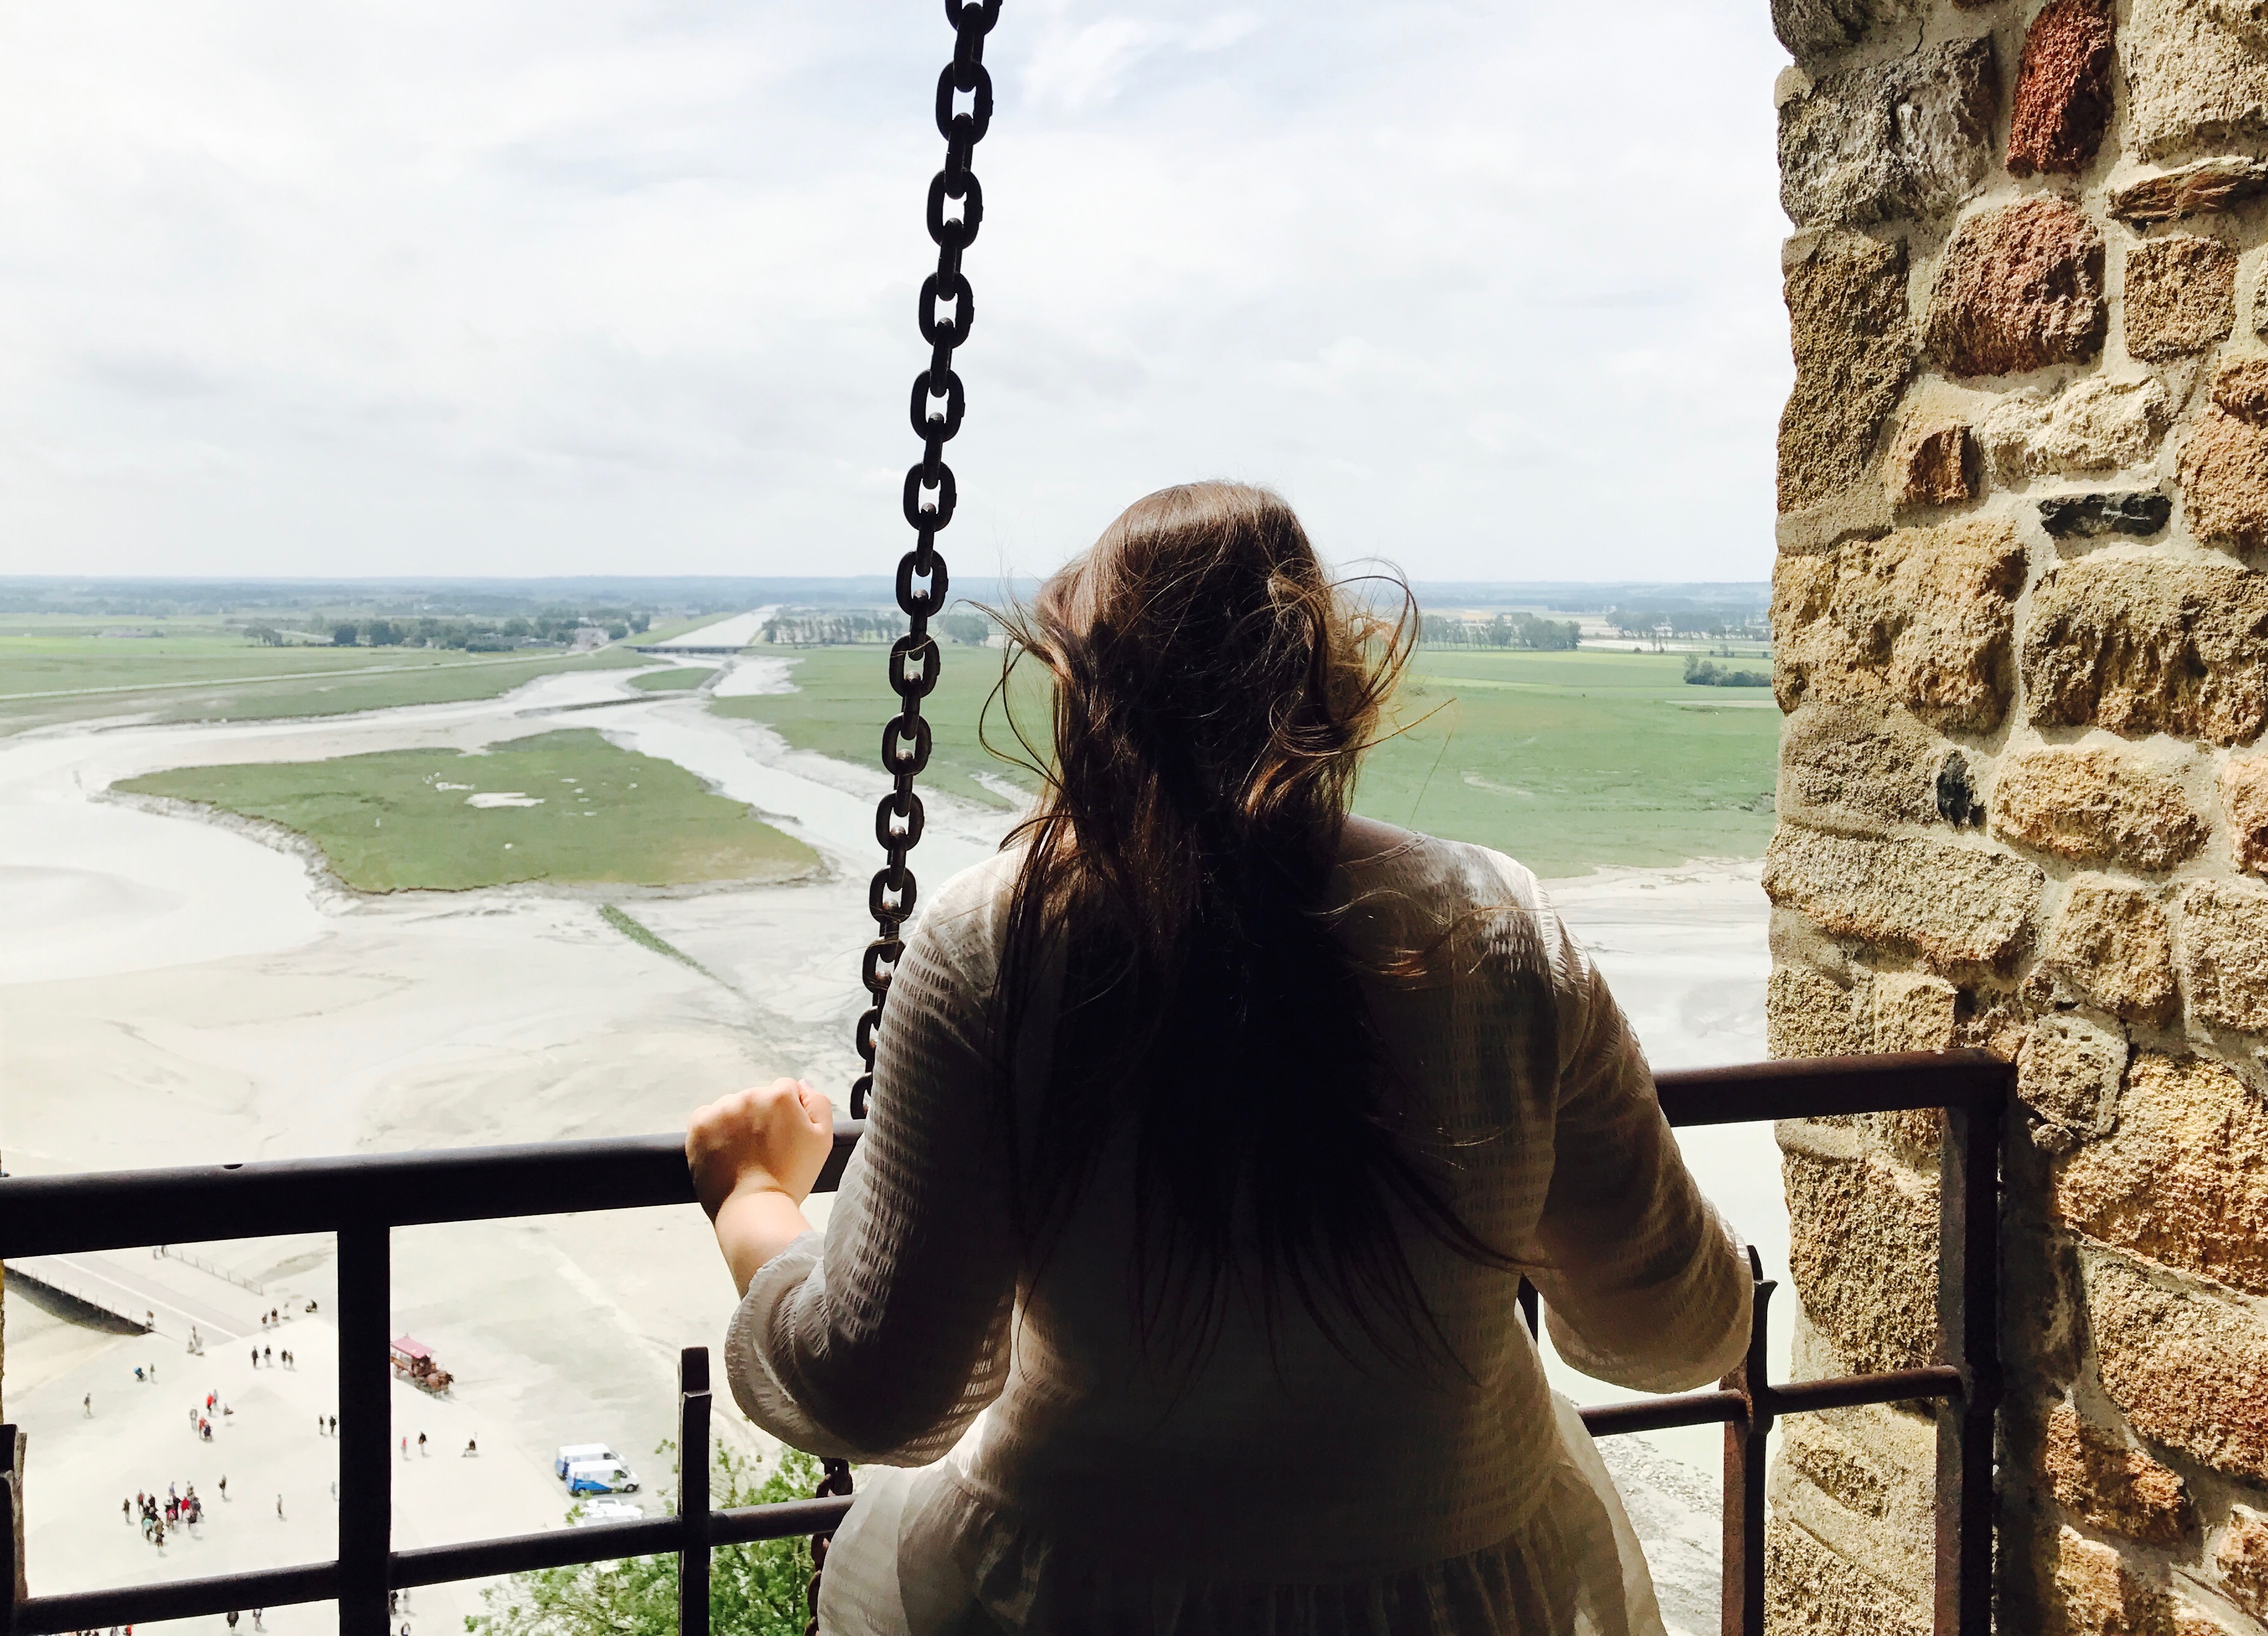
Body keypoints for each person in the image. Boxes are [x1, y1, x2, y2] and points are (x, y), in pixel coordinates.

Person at [687, 484, 1750, 1636]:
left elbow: (884, 1387)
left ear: (1084, 694)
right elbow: (1677, 1328)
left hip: (1079, 1593)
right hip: (1460, 1595)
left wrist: (754, 1199)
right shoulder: (1494, 929)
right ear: (1330, 683)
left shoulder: (994, 941)